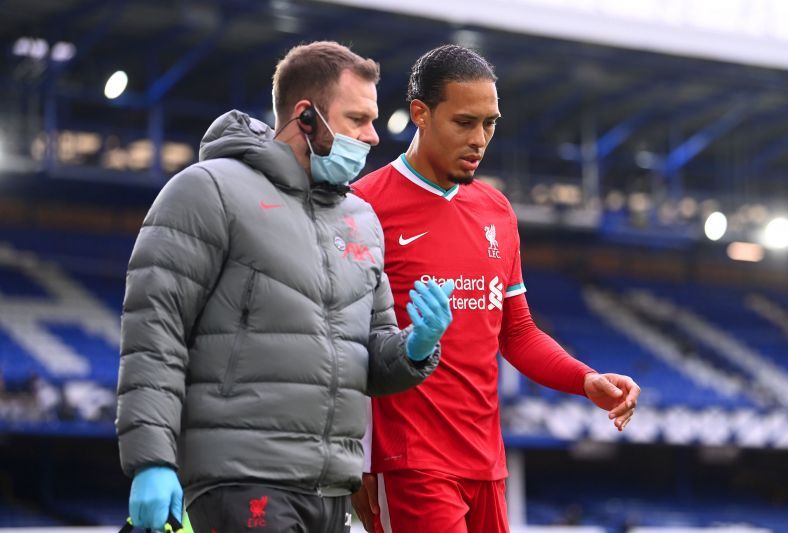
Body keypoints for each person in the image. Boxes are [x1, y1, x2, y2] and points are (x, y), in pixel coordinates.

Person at [116, 41, 455, 533]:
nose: (374, 136)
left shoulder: (362, 220)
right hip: (242, 482)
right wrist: (152, 460)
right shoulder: (208, 190)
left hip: (331, 492)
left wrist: (416, 346)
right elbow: (155, 333)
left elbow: (371, 359)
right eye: (358, 119)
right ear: (306, 117)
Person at [350, 44, 641, 533]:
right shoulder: (365, 206)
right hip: (409, 462)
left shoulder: (497, 211)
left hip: (487, 461)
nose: (480, 139)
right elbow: (345, 339)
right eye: (465, 122)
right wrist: (354, 455)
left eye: (490, 123)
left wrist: (584, 379)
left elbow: (517, 333)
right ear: (420, 114)